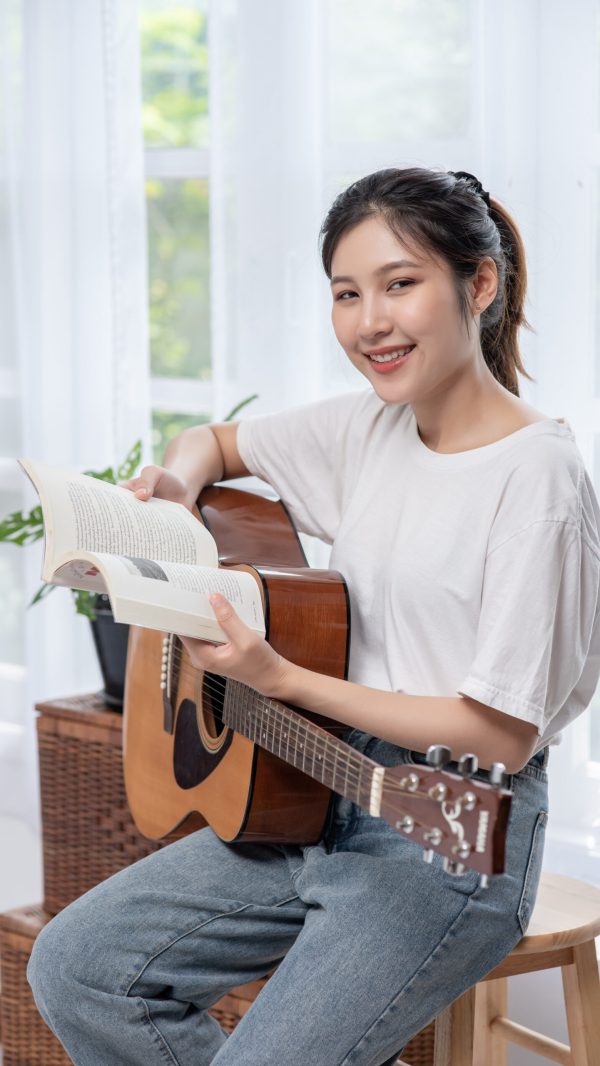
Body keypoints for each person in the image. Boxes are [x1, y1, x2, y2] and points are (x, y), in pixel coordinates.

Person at [28, 167, 600, 1066]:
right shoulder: (372, 428)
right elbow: (215, 440)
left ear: (478, 285)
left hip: (446, 834)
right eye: (346, 293)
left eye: (400, 284)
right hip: (311, 794)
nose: (369, 320)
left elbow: (498, 733)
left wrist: (284, 681)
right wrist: (177, 485)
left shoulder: (539, 481)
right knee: (76, 967)